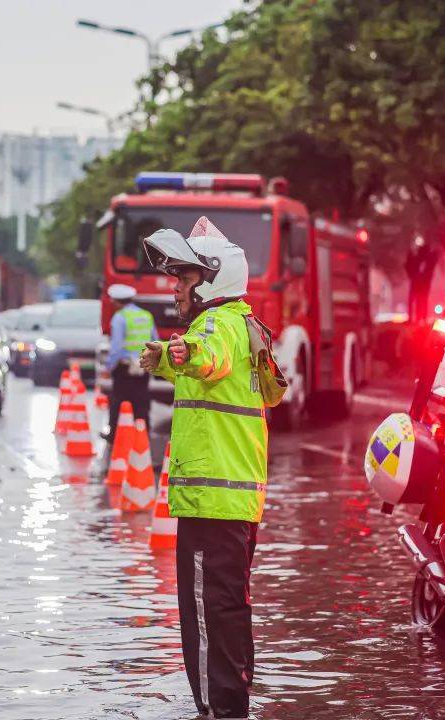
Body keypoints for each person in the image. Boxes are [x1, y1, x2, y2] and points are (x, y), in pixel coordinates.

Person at [138, 217, 267, 720]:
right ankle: (232, 706)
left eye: (183, 277)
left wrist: (179, 350)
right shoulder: (242, 324)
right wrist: (169, 356)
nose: (174, 286)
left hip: (211, 507)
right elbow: (208, 367)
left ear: (211, 280)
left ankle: (217, 712)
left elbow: (206, 357)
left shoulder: (215, 327)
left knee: (209, 618)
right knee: (229, 611)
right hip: (233, 503)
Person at [105, 283, 157, 439]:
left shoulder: (120, 317)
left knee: (119, 401)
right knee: (141, 400)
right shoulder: (146, 315)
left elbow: (116, 347)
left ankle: (115, 435)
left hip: (124, 368)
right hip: (143, 365)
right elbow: (155, 340)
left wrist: (109, 367)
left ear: (115, 301)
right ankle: (142, 433)